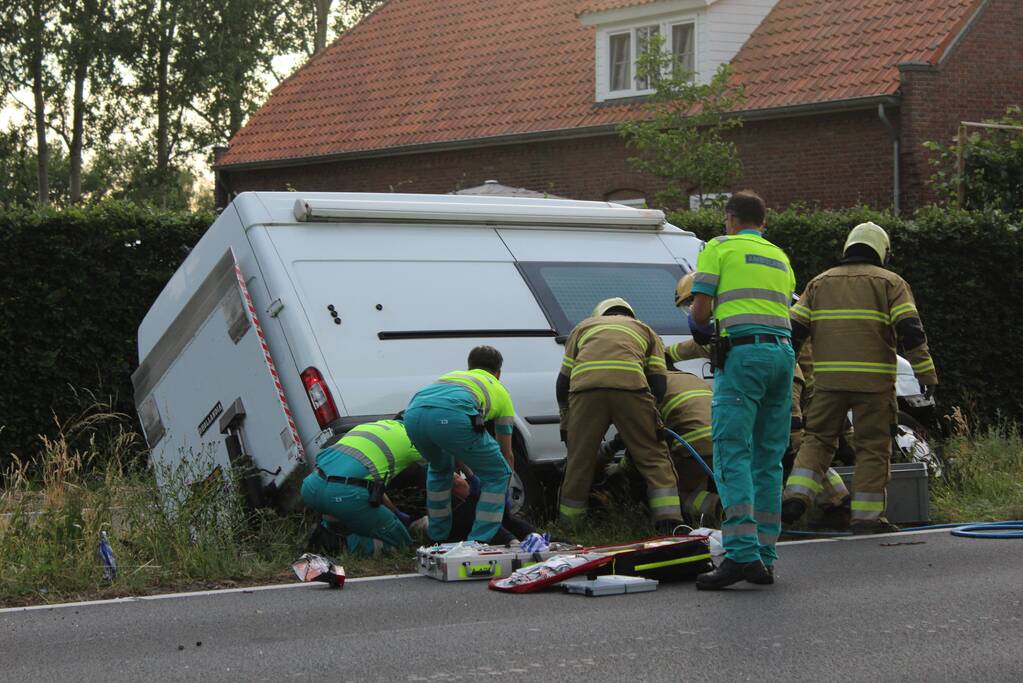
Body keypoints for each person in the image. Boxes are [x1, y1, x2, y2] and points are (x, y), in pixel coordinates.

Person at [781, 222, 937, 533]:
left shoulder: (818, 284)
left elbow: (793, 332)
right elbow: (910, 331)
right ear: (883, 251)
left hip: (827, 384)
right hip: (874, 386)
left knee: (818, 440)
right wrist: (926, 373)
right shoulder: (891, 283)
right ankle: (867, 519)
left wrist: (786, 373)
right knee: (873, 447)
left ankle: (796, 497)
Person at [687, 190, 796, 590]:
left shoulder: (720, 247)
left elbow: (700, 311)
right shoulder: (780, 257)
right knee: (769, 459)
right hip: (783, 356)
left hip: (744, 356)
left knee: (733, 452)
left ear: (730, 219)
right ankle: (765, 557)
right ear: (762, 223)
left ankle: (739, 555)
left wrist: (698, 330)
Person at [556, 297, 682, 532]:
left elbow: (562, 383)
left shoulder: (582, 328)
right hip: (632, 390)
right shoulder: (646, 330)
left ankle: (569, 529)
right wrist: (651, 418)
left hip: (585, 393)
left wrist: (565, 423)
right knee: (653, 457)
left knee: (579, 462)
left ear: (599, 315)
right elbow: (658, 380)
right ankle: (670, 524)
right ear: (630, 315)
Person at [404, 345, 516, 544]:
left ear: (469, 367)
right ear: (498, 373)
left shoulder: (453, 377)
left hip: (413, 416)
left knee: (439, 470)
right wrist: (501, 494)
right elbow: (505, 453)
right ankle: (478, 542)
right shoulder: (500, 391)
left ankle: (436, 536)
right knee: (499, 472)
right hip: (451, 417)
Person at [301, 417, 431, 556]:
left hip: (312, 486)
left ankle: (324, 537)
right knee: (401, 543)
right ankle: (340, 547)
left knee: (342, 527)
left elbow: (371, 485)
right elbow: (443, 475)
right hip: (343, 494)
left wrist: (395, 512)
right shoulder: (413, 439)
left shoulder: (374, 426)